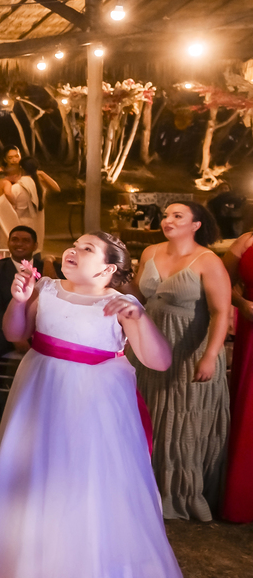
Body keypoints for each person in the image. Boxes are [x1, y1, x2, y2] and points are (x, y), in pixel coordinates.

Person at [0, 233, 180, 578]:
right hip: (40, 389)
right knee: (34, 472)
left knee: (83, 477)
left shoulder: (119, 304)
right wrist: (19, 301)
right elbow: (15, 332)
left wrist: (139, 317)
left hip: (93, 402)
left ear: (107, 268)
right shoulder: (48, 288)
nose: (73, 250)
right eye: (75, 244)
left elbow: (159, 361)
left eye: (87, 249)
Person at [131, 201, 232, 521]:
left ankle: (178, 495)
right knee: (145, 416)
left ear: (196, 224)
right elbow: (134, 295)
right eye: (165, 215)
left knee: (180, 421)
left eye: (177, 216)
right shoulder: (150, 253)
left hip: (189, 350)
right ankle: (139, 487)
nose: (167, 220)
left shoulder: (208, 261)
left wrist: (210, 356)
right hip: (148, 347)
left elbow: (221, 313)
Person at [0, 225, 52, 414]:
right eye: (15, 240)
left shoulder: (48, 267)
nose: (19, 244)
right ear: (9, 243)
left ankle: (44, 403)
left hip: (41, 330)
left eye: (25, 240)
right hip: (6, 329)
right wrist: (16, 336)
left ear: (35, 244)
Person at [222, 230, 253, 523]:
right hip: (252, 326)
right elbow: (224, 282)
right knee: (248, 409)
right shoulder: (246, 240)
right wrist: (242, 304)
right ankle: (243, 496)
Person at [0, 155, 59, 250]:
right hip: (33, 227)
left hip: (19, 226)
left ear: (21, 169)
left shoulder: (17, 188)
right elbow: (57, 188)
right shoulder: (39, 187)